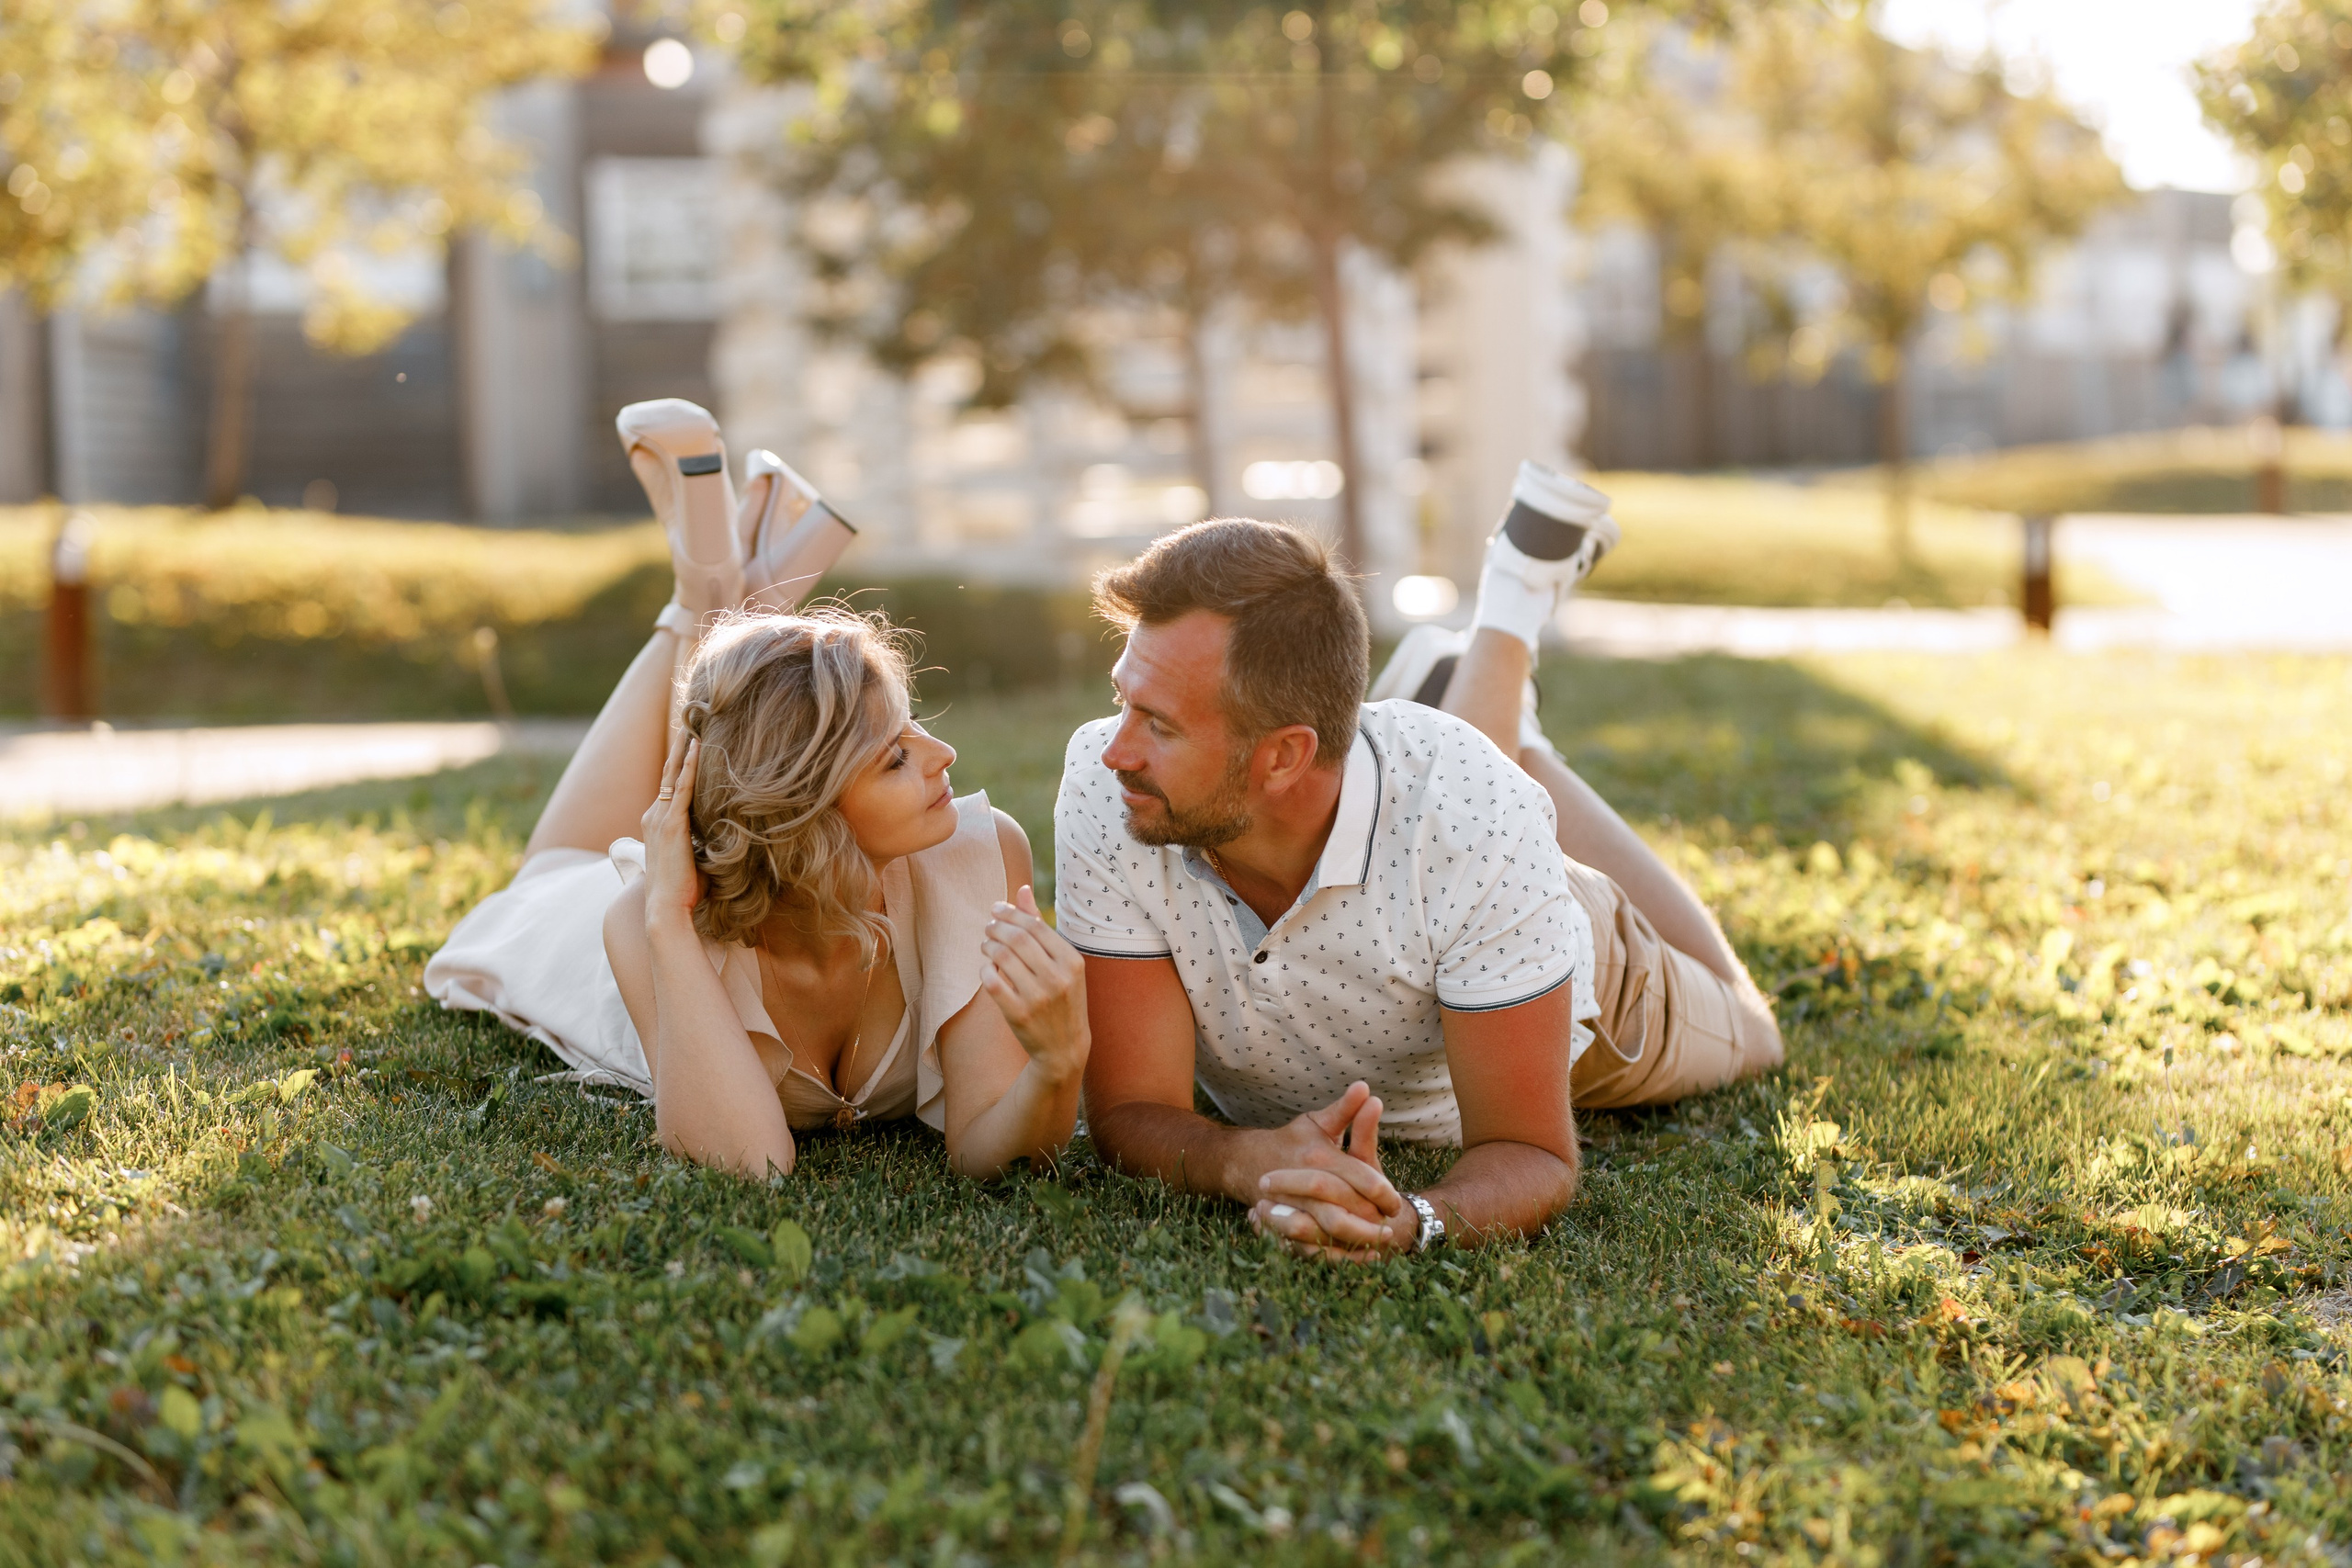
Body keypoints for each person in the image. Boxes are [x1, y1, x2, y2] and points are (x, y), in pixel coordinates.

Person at [1055, 466, 1783, 1261]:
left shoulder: (1476, 821)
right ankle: (1482, 709)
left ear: (1284, 755)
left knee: (1755, 1035)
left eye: (1157, 723)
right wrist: (1240, 1158)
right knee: (1461, 794)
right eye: (1122, 699)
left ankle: (1513, 637)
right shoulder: (1116, 787)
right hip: (1450, 845)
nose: (1117, 747)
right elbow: (1131, 1106)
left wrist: (1411, 1219)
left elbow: (1532, 1152)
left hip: (1576, 968)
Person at [426, 400, 1090, 1179]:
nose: (944, 755)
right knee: (546, 872)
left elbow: (990, 1149)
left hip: (747, 833)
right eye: (894, 759)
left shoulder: (976, 855)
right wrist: (668, 926)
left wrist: (1059, 1063)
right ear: (807, 816)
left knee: (731, 730)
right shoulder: (646, 923)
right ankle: (708, 595)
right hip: (582, 924)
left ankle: (723, 603)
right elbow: (751, 1165)